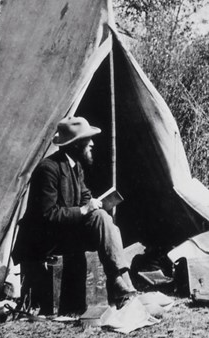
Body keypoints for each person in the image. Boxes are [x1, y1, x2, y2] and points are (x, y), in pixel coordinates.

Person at [12, 115, 136, 310]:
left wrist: (96, 203)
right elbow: (48, 215)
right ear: (76, 144)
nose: (92, 144)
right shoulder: (48, 169)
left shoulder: (75, 167)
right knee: (101, 218)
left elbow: (85, 196)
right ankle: (122, 283)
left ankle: (121, 283)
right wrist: (84, 209)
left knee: (102, 217)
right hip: (44, 241)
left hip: (63, 234)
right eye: (88, 140)